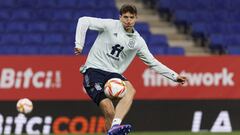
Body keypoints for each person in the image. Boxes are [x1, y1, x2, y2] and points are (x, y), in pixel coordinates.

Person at [74, 4, 187, 135]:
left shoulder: (138, 41)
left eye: (131, 17)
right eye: (125, 17)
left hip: (113, 74)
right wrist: (79, 44)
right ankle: (114, 127)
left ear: (136, 19)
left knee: (130, 90)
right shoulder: (110, 25)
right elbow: (83, 20)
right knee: (109, 110)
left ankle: (115, 126)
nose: (128, 20)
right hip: (94, 70)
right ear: (120, 17)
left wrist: (174, 76)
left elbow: (152, 62)